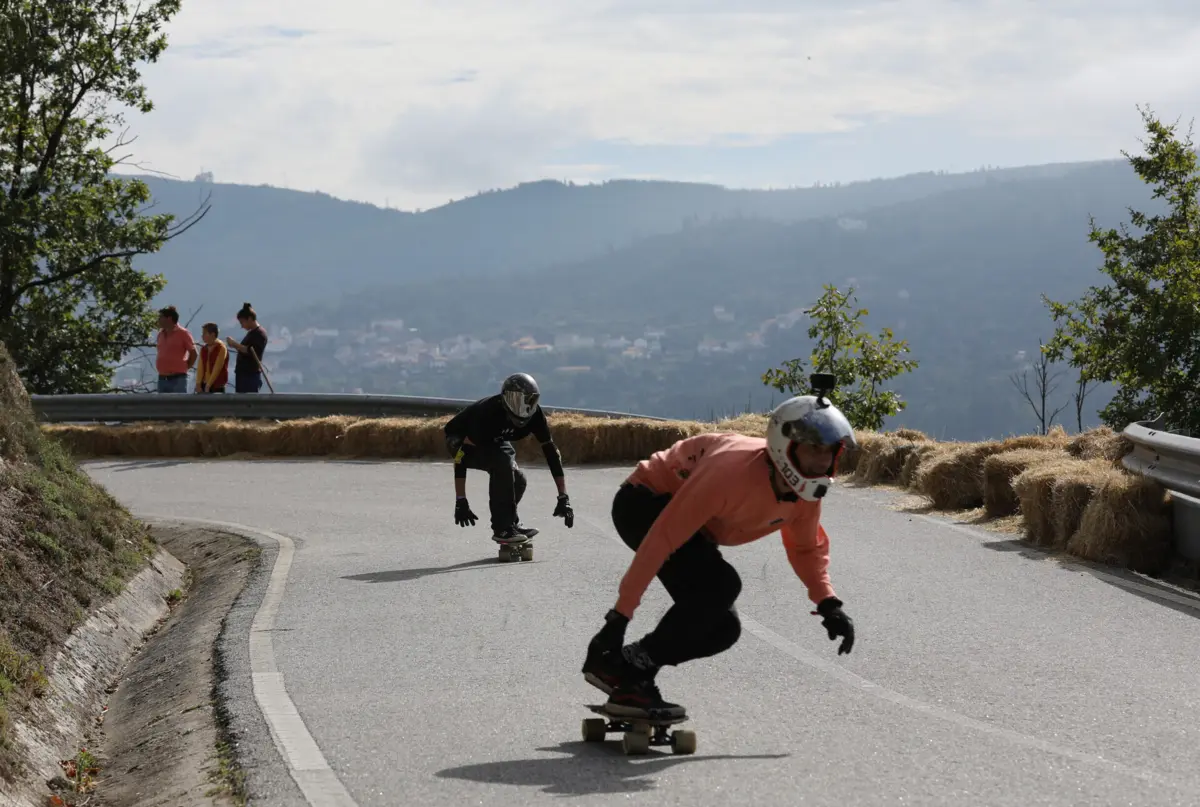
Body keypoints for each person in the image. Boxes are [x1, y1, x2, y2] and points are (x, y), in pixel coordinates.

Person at [580, 374, 858, 719]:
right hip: (645, 501)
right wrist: (618, 619)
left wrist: (828, 603)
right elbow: (660, 541)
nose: (821, 461)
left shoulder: (804, 492)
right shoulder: (729, 474)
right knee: (721, 585)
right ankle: (631, 676)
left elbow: (805, 549)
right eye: (814, 448)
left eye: (829, 451)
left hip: (693, 526)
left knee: (723, 630)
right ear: (785, 446)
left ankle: (626, 673)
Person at [444, 372, 574, 542]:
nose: (523, 409)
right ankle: (502, 529)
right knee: (502, 462)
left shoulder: (535, 416)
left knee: (518, 480)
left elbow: (551, 453)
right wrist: (461, 499)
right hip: (459, 440)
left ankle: (510, 523)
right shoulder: (488, 413)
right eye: (517, 401)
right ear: (505, 398)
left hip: (494, 440)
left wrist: (563, 496)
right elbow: (461, 456)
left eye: (529, 402)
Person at [225, 302, 269, 393]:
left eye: (242, 322)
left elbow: (252, 351)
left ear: (249, 319)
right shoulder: (252, 333)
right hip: (243, 376)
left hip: (250, 377)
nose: (242, 326)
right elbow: (245, 349)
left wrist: (234, 344)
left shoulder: (259, 334)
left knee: (248, 404)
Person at [154, 305, 197, 393]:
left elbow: (193, 353)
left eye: (161, 317)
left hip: (178, 379)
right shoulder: (160, 334)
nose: (158, 320)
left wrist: (185, 367)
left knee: (178, 406)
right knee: (162, 406)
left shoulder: (183, 333)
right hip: (162, 378)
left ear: (169, 318)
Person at [195, 322, 229, 393]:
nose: (202, 336)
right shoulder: (204, 349)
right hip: (204, 383)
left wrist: (209, 385)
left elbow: (217, 368)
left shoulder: (221, 348)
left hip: (217, 385)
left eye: (204, 333)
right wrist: (198, 383)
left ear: (212, 335)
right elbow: (200, 367)